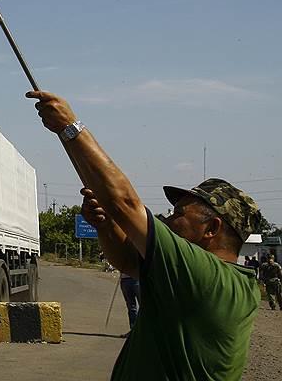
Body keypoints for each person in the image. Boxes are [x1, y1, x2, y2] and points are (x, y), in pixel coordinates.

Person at [28, 90, 262, 380]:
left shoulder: (206, 276)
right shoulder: (231, 284)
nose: (169, 220)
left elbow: (124, 203)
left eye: (179, 214)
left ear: (211, 229)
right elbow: (128, 261)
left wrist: (70, 127)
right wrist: (106, 226)